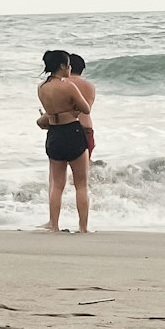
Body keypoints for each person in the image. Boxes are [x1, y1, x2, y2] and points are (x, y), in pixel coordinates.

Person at [36, 49, 92, 233]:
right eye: (68, 65)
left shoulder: (42, 87)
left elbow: (51, 113)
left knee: (57, 184)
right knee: (81, 184)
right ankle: (83, 228)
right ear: (62, 66)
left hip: (54, 134)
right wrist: (73, 108)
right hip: (72, 132)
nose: (69, 68)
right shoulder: (68, 86)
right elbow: (85, 108)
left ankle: (54, 225)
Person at [69, 53, 96, 157]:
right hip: (87, 129)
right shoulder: (90, 86)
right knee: (84, 168)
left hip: (67, 128)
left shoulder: (61, 85)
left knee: (62, 169)